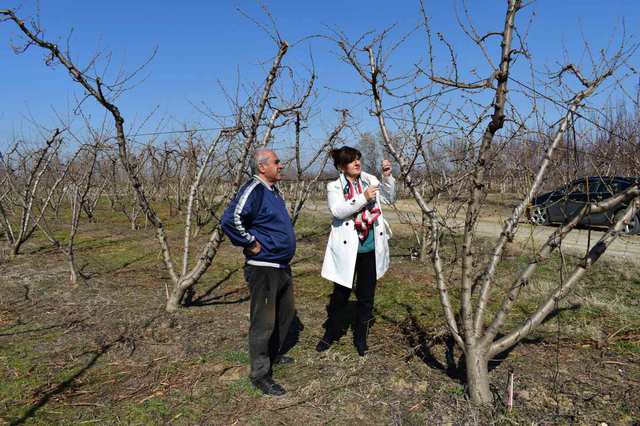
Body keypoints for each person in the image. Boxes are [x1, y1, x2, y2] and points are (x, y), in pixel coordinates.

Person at [221, 149, 297, 396]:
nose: (281, 165)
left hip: (281, 265)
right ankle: (260, 374)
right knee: (263, 321)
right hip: (263, 267)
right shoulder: (253, 189)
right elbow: (230, 219)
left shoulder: (273, 191)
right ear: (262, 167)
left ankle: (272, 355)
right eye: (277, 162)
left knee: (284, 315)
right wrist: (250, 243)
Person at [317, 146, 395, 356]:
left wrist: (387, 178)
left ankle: (360, 338)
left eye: (358, 159)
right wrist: (363, 198)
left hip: (370, 248)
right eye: (351, 161)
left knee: (366, 297)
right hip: (347, 251)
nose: (357, 163)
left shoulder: (369, 180)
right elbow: (338, 211)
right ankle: (331, 334)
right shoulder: (334, 187)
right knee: (340, 296)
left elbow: (388, 198)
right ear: (342, 166)